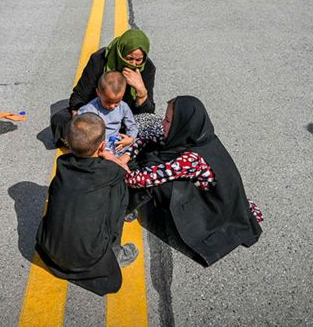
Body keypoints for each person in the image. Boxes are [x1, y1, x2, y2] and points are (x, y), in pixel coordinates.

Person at [122, 96, 263, 266]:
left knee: (158, 182)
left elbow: (146, 178)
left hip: (213, 210)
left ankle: (124, 207)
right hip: (222, 198)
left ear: (182, 124)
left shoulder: (192, 159)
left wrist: (120, 172)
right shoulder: (199, 136)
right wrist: (128, 154)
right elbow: (152, 139)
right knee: (155, 151)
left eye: (167, 121)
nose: (162, 124)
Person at [35, 113, 138, 296]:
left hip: (50, 249)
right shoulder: (109, 171)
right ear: (102, 145)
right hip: (88, 257)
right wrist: (108, 156)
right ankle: (114, 250)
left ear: (68, 143)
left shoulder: (62, 164)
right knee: (119, 188)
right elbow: (125, 170)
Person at [49, 29, 156, 147]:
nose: (133, 64)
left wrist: (141, 91)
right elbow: (79, 95)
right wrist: (82, 125)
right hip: (95, 114)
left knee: (153, 127)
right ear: (120, 52)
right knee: (60, 120)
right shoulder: (100, 59)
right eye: (129, 58)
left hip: (123, 118)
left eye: (138, 60)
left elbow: (147, 113)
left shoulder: (147, 68)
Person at [77, 72, 138, 155]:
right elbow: (78, 127)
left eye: (117, 101)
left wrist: (130, 138)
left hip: (117, 144)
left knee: (139, 144)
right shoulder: (90, 110)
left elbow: (132, 125)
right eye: (108, 102)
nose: (112, 106)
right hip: (97, 146)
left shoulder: (123, 107)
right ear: (98, 93)